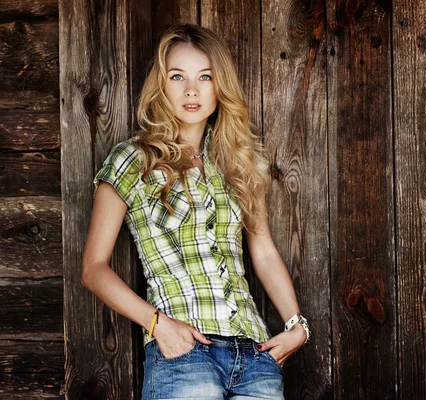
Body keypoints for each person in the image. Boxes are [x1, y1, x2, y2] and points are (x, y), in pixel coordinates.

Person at [81, 23, 310, 399]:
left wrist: (297, 325)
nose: (191, 90)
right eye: (177, 77)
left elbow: (264, 251)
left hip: (254, 356)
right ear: (162, 85)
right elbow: (93, 269)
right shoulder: (132, 160)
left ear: (220, 87)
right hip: (184, 353)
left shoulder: (239, 165)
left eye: (205, 77)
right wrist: (158, 326)